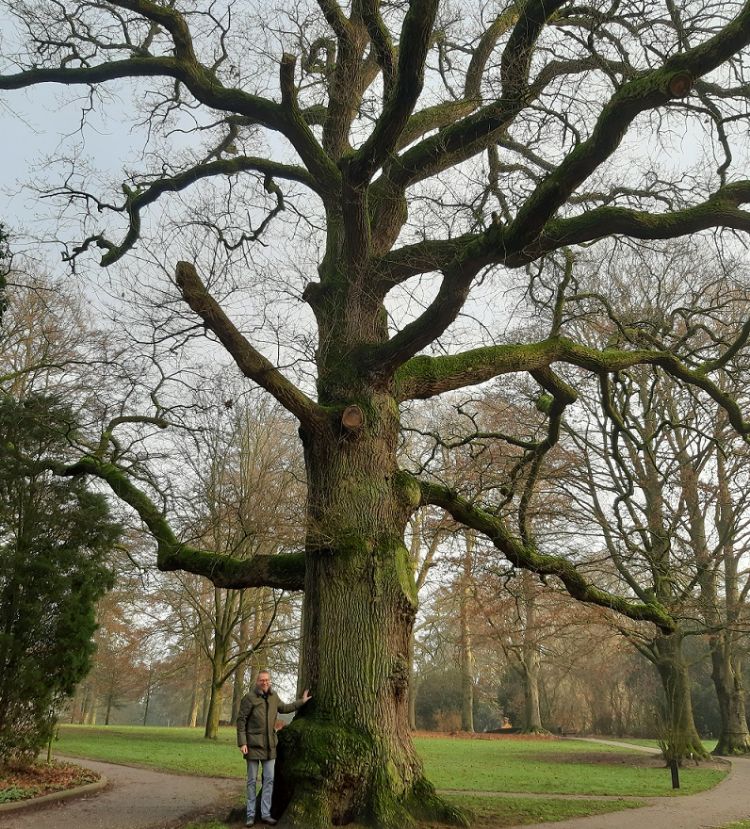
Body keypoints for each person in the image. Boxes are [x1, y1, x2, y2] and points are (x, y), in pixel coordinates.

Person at [236, 670, 312, 826]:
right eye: (261, 680)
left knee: (269, 781)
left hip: (270, 747)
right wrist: (242, 743)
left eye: (267, 680)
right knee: (251, 781)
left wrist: (302, 702)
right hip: (252, 746)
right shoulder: (249, 698)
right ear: (257, 682)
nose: (264, 682)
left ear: (270, 681)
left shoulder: (274, 696)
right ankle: (250, 815)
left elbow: (285, 708)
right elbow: (241, 721)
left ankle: (265, 814)